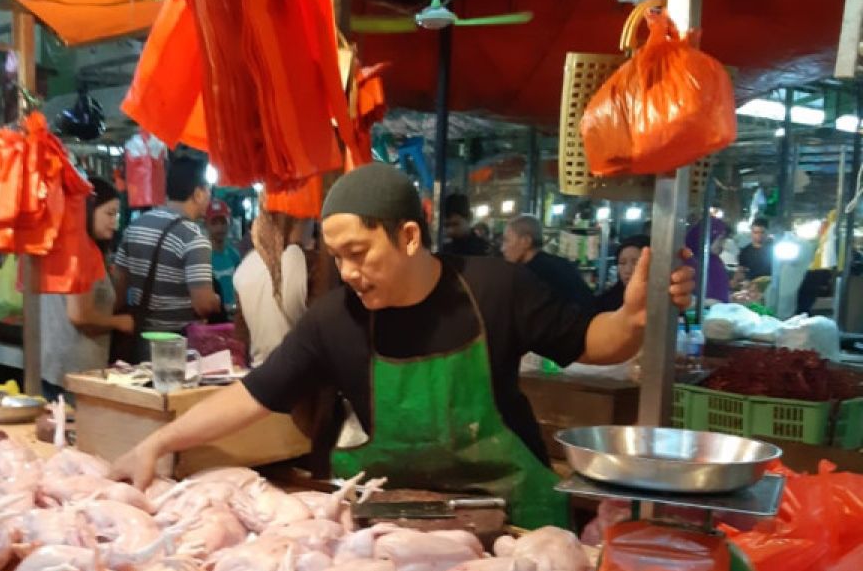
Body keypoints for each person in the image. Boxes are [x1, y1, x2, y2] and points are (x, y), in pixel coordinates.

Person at [110, 165, 695, 528]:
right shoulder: (333, 319)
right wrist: (156, 444)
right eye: (336, 257)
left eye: (359, 253)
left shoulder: (496, 287)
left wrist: (634, 316)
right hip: (396, 526)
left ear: (409, 236)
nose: (347, 272)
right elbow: (253, 396)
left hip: (515, 520)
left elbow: (598, 344)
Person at [111, 156, 221, 361]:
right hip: (176, 346)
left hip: (138, 341)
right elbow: (203, 304)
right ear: (197, 194)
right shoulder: (194, 238)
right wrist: (217, 301)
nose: (209, 197)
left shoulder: (135, 228)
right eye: (207, 191)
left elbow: (117, 293)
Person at [41, 178, 134, 404]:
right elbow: (79, 315)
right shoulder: (79, 250)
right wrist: (120, 322)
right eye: (110, 214)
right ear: (89, 210)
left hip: (56, 366)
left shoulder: (62, 244)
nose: (114, 222)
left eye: (117, 215)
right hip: (74, 371)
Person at [233, 208, 317, 366]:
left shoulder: (246, 264)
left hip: (259, 371)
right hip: (304, 375)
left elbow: (241, 336)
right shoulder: (307, 262)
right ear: (300, 220)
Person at [501, 214, 596, 310]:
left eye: (507, 241)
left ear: (526, 241)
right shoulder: (561, 263)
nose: (502, 249)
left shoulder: (530, 275)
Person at [594, 235, 649, 313]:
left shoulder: (662, 301)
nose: (627, 270)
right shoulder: (605, 304)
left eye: (636, 263)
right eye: (622, 263)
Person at [682, 217, 731, 305]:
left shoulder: (715, 261)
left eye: (724, 239)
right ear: (707, 238)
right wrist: (711, 302)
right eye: (720, 239)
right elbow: (683, 300)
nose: (723, 244)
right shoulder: (688, 262)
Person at [207, 199, 241, 311]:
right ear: (206, 224)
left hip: (233, 315)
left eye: (223, 222)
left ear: (229, 223)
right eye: (214, 223)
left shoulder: (234, 255)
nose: (219, 228)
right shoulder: (202, 257)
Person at [737, 217, 774, 281]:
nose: (759, 235)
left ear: (768, 233)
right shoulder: (745, 251)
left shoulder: (774, 251)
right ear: (751, 233)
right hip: (750, 286)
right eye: (756, 232)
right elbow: (741, 271)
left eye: (762, 232)